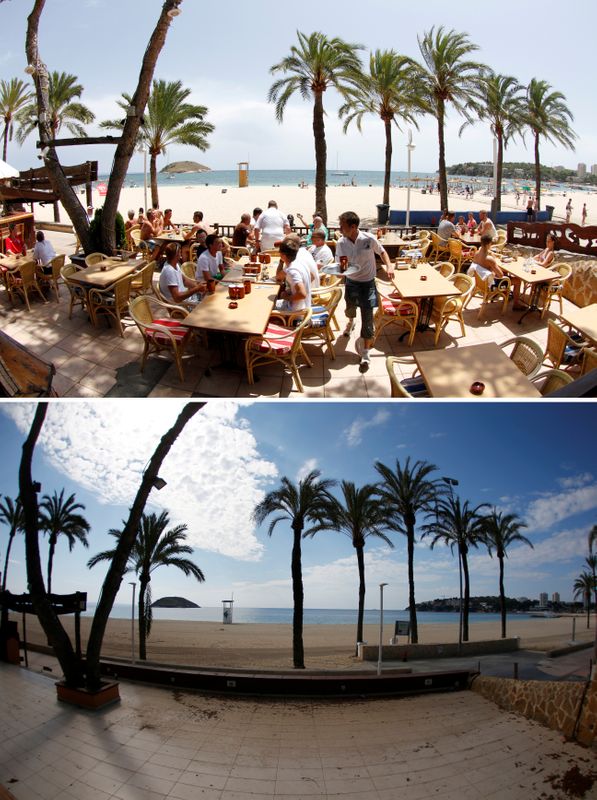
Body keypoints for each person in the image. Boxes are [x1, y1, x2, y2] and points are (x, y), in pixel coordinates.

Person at [336, 210, 393, 372]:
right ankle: (350, 322)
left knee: (367, 318)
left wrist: (389, 265)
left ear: (353, 226)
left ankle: (366, 353)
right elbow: (342, 262)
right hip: (351, 283)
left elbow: (382, 252)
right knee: (350, 309)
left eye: (342, 226)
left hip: (368, 284)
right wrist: (341, 270)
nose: (340, 229)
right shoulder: (341, 243)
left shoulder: (368, 239)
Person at [274, 237, 311, 313]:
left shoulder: (292, 271)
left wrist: (286, 297)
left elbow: (302, 294)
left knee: (265, 308)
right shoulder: (298, 263)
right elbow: (278, 277)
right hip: (304, 307)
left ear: (283, 255)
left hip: (295, 313)